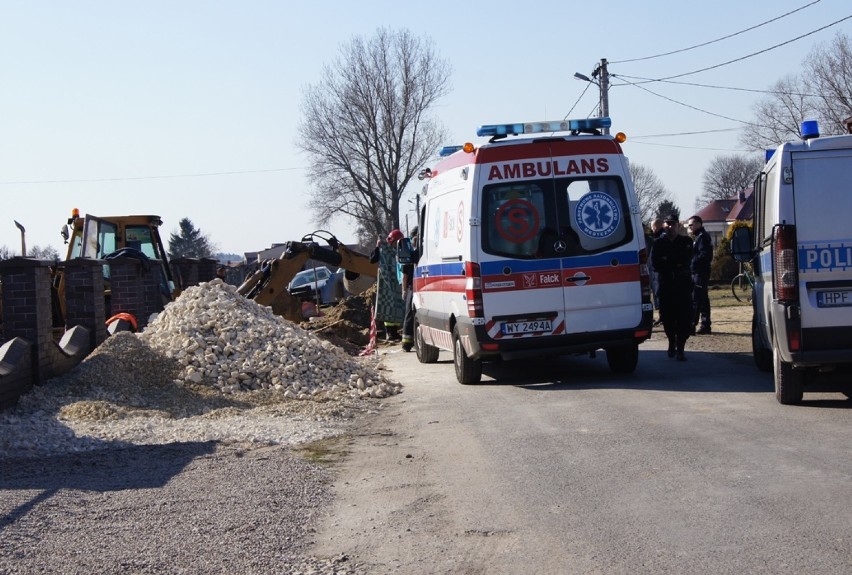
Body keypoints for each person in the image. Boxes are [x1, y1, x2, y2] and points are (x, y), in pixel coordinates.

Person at [651, 215, 693, 361]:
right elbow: (656, 264)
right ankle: (671, 341)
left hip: (682, 286)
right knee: (667, 319)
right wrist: (673, 262)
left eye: (673, 224)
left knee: (684, 319)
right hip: (666, 286)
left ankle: (680, 348)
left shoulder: (686, 242)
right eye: (667, 224)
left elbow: (686, 260)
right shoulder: (658, 244)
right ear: (663, 225)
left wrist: (668, 260)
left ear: (678, 226)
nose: (670, 226)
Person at [688, 215, 712, 335]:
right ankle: (705, 324)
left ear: (698, 223)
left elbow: (704, 255)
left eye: (691, 225)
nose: (690, 227)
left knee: (696, 298)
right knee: (702, 299)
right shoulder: (698, 237)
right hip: (697, 271)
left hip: (700, 272)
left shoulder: (702, 238)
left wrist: (692, 262)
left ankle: (693, 324)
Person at [400, 227, 420, 352]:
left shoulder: (409, 255)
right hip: (420, 287)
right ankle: (408, 342)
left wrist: (404, 290)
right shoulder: (421, 252)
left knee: (409, 315)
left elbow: (404, 276)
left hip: (413, 287)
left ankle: (406, 344)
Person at [646, 218, 664, 326]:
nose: (652, 228)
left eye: (653, 226)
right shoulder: (654, 237)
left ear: (657, 225)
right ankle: (661, 315)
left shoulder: (660, 237)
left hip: (657, 271)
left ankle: (663, 316)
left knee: (659, 293)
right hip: (653, 270)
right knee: (656, 293)